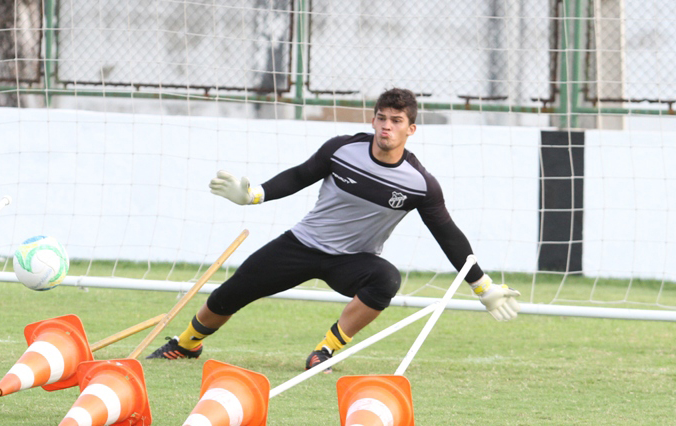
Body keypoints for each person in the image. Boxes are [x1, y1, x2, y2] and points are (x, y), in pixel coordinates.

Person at [147, 88, 520, 369]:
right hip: (302, 244)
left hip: (353, 260)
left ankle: (324, 351)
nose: (387, 126)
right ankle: (187, 344)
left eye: (396, 121)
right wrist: (255, 194)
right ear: (372, 121)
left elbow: (447, 234)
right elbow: (300, 175)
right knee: (230, 294)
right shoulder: (342, 150)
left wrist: (482, 286)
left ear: (411, 129)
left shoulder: (419, 184)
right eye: (381, 118)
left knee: (386, 280)